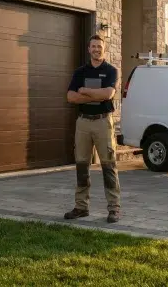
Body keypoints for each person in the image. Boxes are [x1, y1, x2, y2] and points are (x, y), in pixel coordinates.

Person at [64, 34, 121, 222]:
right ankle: (81, 207)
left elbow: (109, 93)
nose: (96, 49)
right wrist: (97, 96)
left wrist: (86, 91)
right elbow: (71, 97)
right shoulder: (80, 72)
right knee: (81, 164)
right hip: (83, 123)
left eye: (100, 46)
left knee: (108, 165)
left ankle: (114, 208)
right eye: (93, 46)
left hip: (103, 122)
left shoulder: (111, 71)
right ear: (89, 49)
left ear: (105, 49)